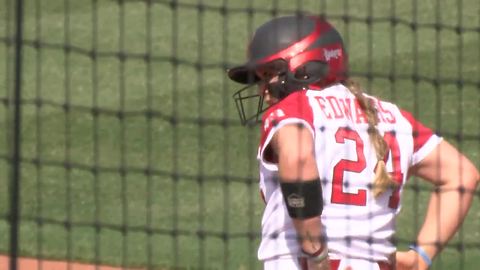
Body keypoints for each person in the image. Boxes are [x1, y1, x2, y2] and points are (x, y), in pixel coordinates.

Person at [226, 14, 479, 270]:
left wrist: (317, 254)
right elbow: (462, 176)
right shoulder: (393, 117)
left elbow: (297, 157)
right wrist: (420, 258)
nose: (263, 89)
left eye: (269, 74)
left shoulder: (296, 108)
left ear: (304, 64)